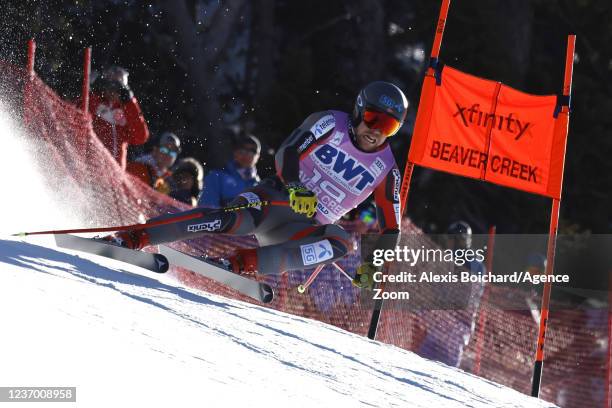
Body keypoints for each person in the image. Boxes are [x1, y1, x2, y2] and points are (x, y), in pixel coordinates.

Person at [105, 81, 406, 282]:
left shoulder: (386, 169)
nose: (376, 131)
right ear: (358, 110)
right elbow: (289, 151)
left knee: (342, 242)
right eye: (372, 118)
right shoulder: (331, 123)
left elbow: (391, 227)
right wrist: (295, 187)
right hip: (277, 200)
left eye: (389, 126)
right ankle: (133, 238)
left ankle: (239, 264)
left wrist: (377, 266)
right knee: (230, 220)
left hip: (301, 229)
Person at [417, 221, 486, 367]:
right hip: (446, 325)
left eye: (450, 238)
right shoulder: (466, 261)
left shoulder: (468, 263)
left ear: (458, 240)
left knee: (440, 370)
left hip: (454, 326)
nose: (448, 242)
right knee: (423, 365)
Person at [89, 66, 149, 169]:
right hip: (89, 161)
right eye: (110, 85)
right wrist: (92, 90)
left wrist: (130, 102)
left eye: (118, 88)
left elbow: (140, 137)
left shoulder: (127, 110)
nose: (113, 91)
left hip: (114, 171)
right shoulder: (95, 101)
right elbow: (78, 112)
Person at [198, 134, 261, 208]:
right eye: (242, 149)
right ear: (235, 151)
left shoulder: (260, 185)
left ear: (258, 156)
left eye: (252, 151)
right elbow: (208, 210)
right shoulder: (216, 176)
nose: (246, 154)